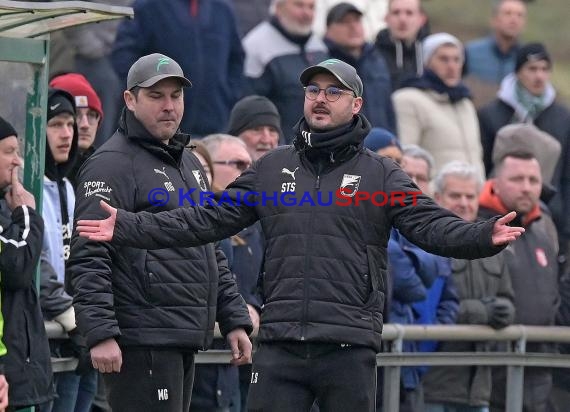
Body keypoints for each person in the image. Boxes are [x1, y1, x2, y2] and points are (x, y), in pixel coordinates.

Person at [77, 58, 525, 412]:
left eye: (334, 91)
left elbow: (431, 225)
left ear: (357, 104)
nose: (320, 99)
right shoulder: (272, 168)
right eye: (313, 90)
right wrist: (128, 224)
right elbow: (202, 221)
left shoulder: (381, 174)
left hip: (348, 345)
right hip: (280, 345)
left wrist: (481, 236)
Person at [68, 53, 252, 412]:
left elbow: (210, 245)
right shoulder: (110, 165)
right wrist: (101, 333)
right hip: (141, 340)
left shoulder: (189, 163)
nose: (169, 106)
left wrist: (233, 319)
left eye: (176, 95)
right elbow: (88, 254)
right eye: (156, 96)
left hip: (180, 335)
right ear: (130, 100)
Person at [423, 161, 516, 412]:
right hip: (431, 385)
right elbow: (424, 309)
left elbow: (507, 303)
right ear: (437, 197)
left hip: (478, 390)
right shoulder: (424, 242)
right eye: (455, 195)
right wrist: (481, 312)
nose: (464, 203)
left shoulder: (495, 247)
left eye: (470, 195)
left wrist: (500, 311)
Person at [477, 152, 559, 412]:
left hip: (538, 371)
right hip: (490, 376)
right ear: (495, 183)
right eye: (517, 178)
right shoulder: (477, 231)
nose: (527, 187)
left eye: (533, 180)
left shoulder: (543, 237)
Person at [478, 43, 570, 262]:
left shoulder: (562, 117)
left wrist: (565, 224)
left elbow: (567, 175)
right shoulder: (491, 114)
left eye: (544, 69)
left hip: (550, 218)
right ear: (518, 71)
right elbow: (484, 166)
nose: (539, 76)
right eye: (532, 69)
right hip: (497, 215)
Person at [48, 72, 103, 412]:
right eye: (63, 121)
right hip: (55, 322)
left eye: (89, 116)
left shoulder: (101, 172)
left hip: (88, 319)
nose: (77, 127)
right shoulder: (39, 182)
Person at [112, 0, 245, 137]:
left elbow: (236, 58)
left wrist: (228, 95)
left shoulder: (222, 8)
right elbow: (124, 55)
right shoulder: (147, 6)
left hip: (213, 123)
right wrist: (150, 93)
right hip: (158, 128)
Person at [0, 116, 52, 410]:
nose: (18, 161)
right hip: (8, 375)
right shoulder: (18, 209)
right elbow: (17, 265)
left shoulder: (5, 205)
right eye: (9, 151)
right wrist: (27, 213)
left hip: (20, 373)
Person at [393, 33, 484, 177]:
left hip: (470, 196)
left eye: (457, 59)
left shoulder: (466, 103)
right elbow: (406, 157)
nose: (452, 66)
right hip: (433, 196)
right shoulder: (408, 100)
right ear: (427, 62)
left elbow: (476, 155)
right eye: (443, 59)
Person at [242, 0, 328, 143]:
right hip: (281, 149)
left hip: (318, 145)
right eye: (299, 5)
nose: (306, 13)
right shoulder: (256, 46)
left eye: (311, 7)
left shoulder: (318, 45)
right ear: (278, 8)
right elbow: (251, 108)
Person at [324, 2, 396, 132]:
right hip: (345, 148)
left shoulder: (376, 61)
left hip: (382, 145)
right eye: (345, 22)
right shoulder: (324, 64)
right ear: (328, 30)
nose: (353, 27)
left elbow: (389, 110)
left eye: (357, 21)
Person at [49, 73, 104, 188]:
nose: (85, 125)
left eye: (92, 115)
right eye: (76, 114)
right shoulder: (38, 176)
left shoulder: (108, 170)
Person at [465, 0, 527, 86]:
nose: (514, 20)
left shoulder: (528, 59)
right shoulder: (470, 53)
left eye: (519, 15)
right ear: (494, 20)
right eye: (508, 13)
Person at [375, 0, 429, 90]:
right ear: (386, 18)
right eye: (396, 13)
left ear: (422, 19)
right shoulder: (372, 57)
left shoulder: (433, 56)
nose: (402, 19)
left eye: (409, 13)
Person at [227, 95, 282, 161]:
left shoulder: (291, 168)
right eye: (256, 130)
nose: (266, 140)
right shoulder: (217, 169)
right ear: (235, 136)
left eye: (272, 130)